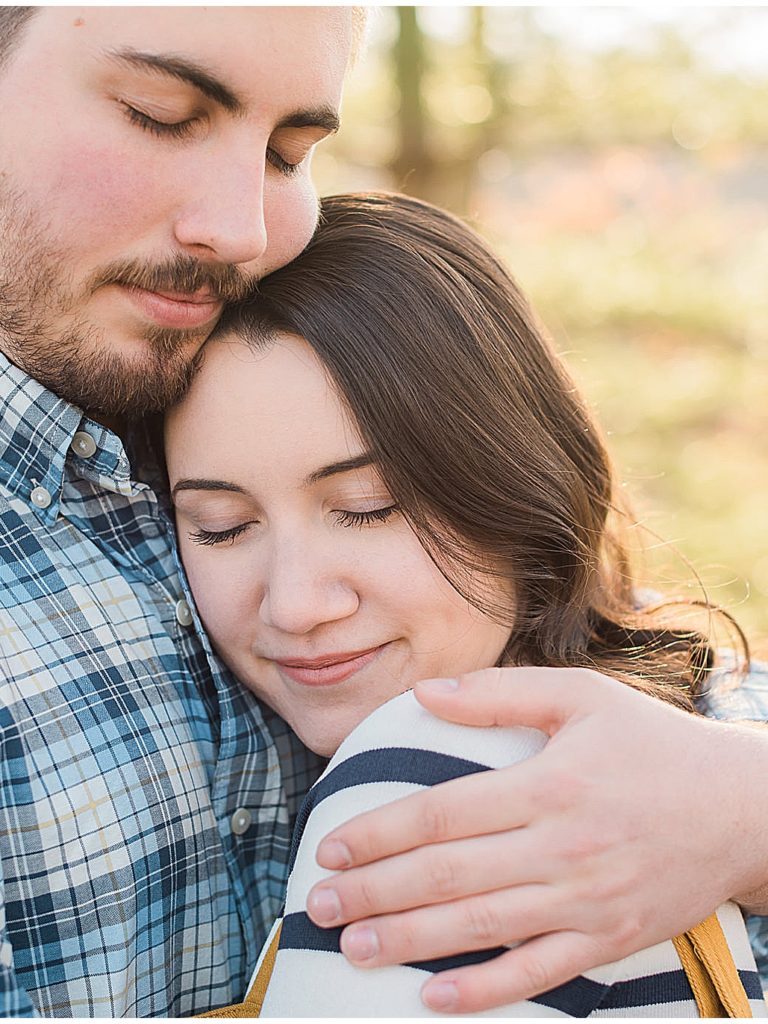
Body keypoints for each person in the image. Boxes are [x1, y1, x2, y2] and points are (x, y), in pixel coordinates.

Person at [1, 4, 768, 1018]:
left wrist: (737, 809)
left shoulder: (174, 363)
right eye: (160, 113)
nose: (245, 229)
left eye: (291, 151)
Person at [162, 190, 764, 1017]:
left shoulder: (428, 773)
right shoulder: (696, 729)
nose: (295, 605)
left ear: (513, 486)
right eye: (221, 526)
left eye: (370, 507)